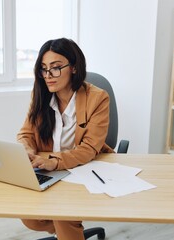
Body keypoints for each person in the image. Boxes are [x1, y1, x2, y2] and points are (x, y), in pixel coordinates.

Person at [16, 38, 114, 240]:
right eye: (44, 69)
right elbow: (25, 134)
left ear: (75, 68)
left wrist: (55, 162)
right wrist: (26, 150)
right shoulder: (41, 95)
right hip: (48, 170)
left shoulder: (98, 97)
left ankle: (67, 225)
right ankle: (68, 227)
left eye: (56, 68)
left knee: (63, 215)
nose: (48, 75)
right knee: (29, 217)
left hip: (83, 168)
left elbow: (88, 148)